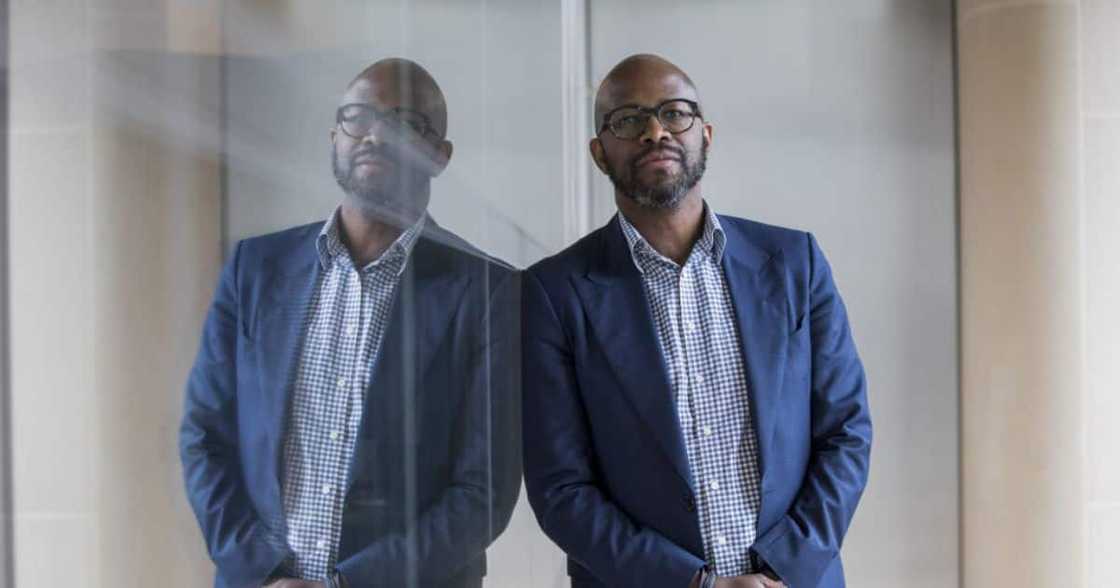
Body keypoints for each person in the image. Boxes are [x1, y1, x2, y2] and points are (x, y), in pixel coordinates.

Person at [521, 54, 871, 588]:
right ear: (599, 152)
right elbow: (561, 489)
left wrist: (782, 567)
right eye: (629, 119)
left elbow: (845, 431)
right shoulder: (556, 292)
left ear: (704, 134)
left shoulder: (794, 262)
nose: (655, 131)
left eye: (675, 113)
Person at [180, 58, 520, 588]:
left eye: (404, 123)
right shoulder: (256, 269)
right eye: (357, 117)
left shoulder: (488, 292)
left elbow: (482, 494)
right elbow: (205, 435)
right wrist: (263, 574)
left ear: (439, 156)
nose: (374, 137)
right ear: (334, 135)